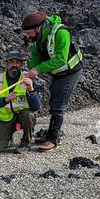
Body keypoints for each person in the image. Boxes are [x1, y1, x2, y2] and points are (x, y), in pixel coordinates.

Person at [21, 11, 84, 151]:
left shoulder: (61, 33)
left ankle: (53, 140)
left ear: (38, 28)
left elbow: (61, 59)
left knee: (58, 104)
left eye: (28, 33)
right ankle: (49, 135)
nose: (26, 36)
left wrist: (38, 70)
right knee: (54, 101)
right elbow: (36, 55)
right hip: (57, 73)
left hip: (70, 72)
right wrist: (32, 69)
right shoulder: (38, 38)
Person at [0, 50, 42, 152]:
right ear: (6, 64)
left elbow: (36, 107)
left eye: (17, 62)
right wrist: (5, 100)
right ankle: (8, 136)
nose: (14, 65)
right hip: (6, 118)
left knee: (28, 115)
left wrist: (31, 89)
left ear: (21, 64)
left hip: (22, 115)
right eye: (11, 62)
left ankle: (26, 143)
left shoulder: (27, 78)